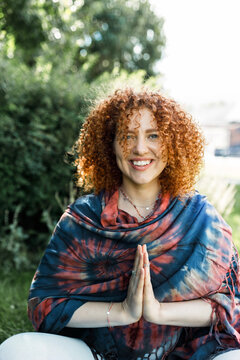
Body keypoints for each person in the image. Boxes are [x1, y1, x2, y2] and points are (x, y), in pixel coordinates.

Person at [1, 88, 240, 360]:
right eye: (127, 136)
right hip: (98, 354)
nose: (140, 148)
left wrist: (157, 312)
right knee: (16, 350)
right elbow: (45, 305)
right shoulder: (84, 217)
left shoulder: (200, 217)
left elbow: (232, 303)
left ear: (171, 144)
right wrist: (124, 311)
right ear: (110, 144)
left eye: (153, 135)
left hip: (186, 354)